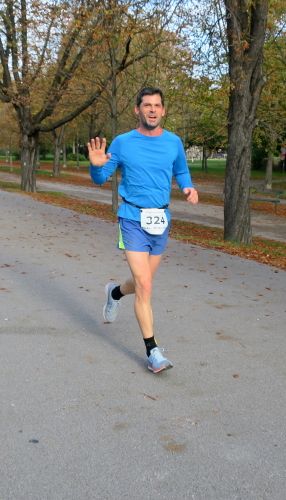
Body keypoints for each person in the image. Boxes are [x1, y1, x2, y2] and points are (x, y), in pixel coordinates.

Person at [88, 87, 199, 374]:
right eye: (146, 105)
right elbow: (101, 177)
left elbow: (181, 170)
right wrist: (96, 166)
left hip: (160, 219)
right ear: (137, 110)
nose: (152, 110)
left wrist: (188, 186)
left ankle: (115, 293)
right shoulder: (123, 142)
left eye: (157, 105)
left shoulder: (173, 142)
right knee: (146, 285)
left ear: (163, 111)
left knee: (142, 282)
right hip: (132, 218)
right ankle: (153, 351)